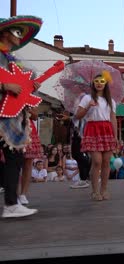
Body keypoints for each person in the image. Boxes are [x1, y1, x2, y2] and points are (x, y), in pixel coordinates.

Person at [0, 15, 42, 217]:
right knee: (12, 158)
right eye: (17, 32)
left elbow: (19, 86)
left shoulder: (11, 60)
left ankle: (11, 203)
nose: (20, 36)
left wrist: (29, 87)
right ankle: (10, 203)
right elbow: (7, 84)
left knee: (14, 157)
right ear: (5, 33)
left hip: (10, 115)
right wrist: (4, 85)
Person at [75, 71, 117, 201]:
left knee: (106, 162)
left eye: (102, 81)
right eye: (97, 81)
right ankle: (94, 191)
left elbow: (113, 118)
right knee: (97, 161)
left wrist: (115, 136)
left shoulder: (111, 101)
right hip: (92, 128)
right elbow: (78, 115)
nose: (99, 83)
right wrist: (88, 106)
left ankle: (104, 189)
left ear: (106, 84)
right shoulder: (87, 98)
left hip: (107, 129)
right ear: (93, 83)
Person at [18, 107, 43, 205]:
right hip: (14, 128)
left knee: (28, 165)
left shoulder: (30, 99)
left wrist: (28, 109)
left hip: (29, 131)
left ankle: (23, 194)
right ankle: (14, 194)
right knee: (14, 165)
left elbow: (36, 116)